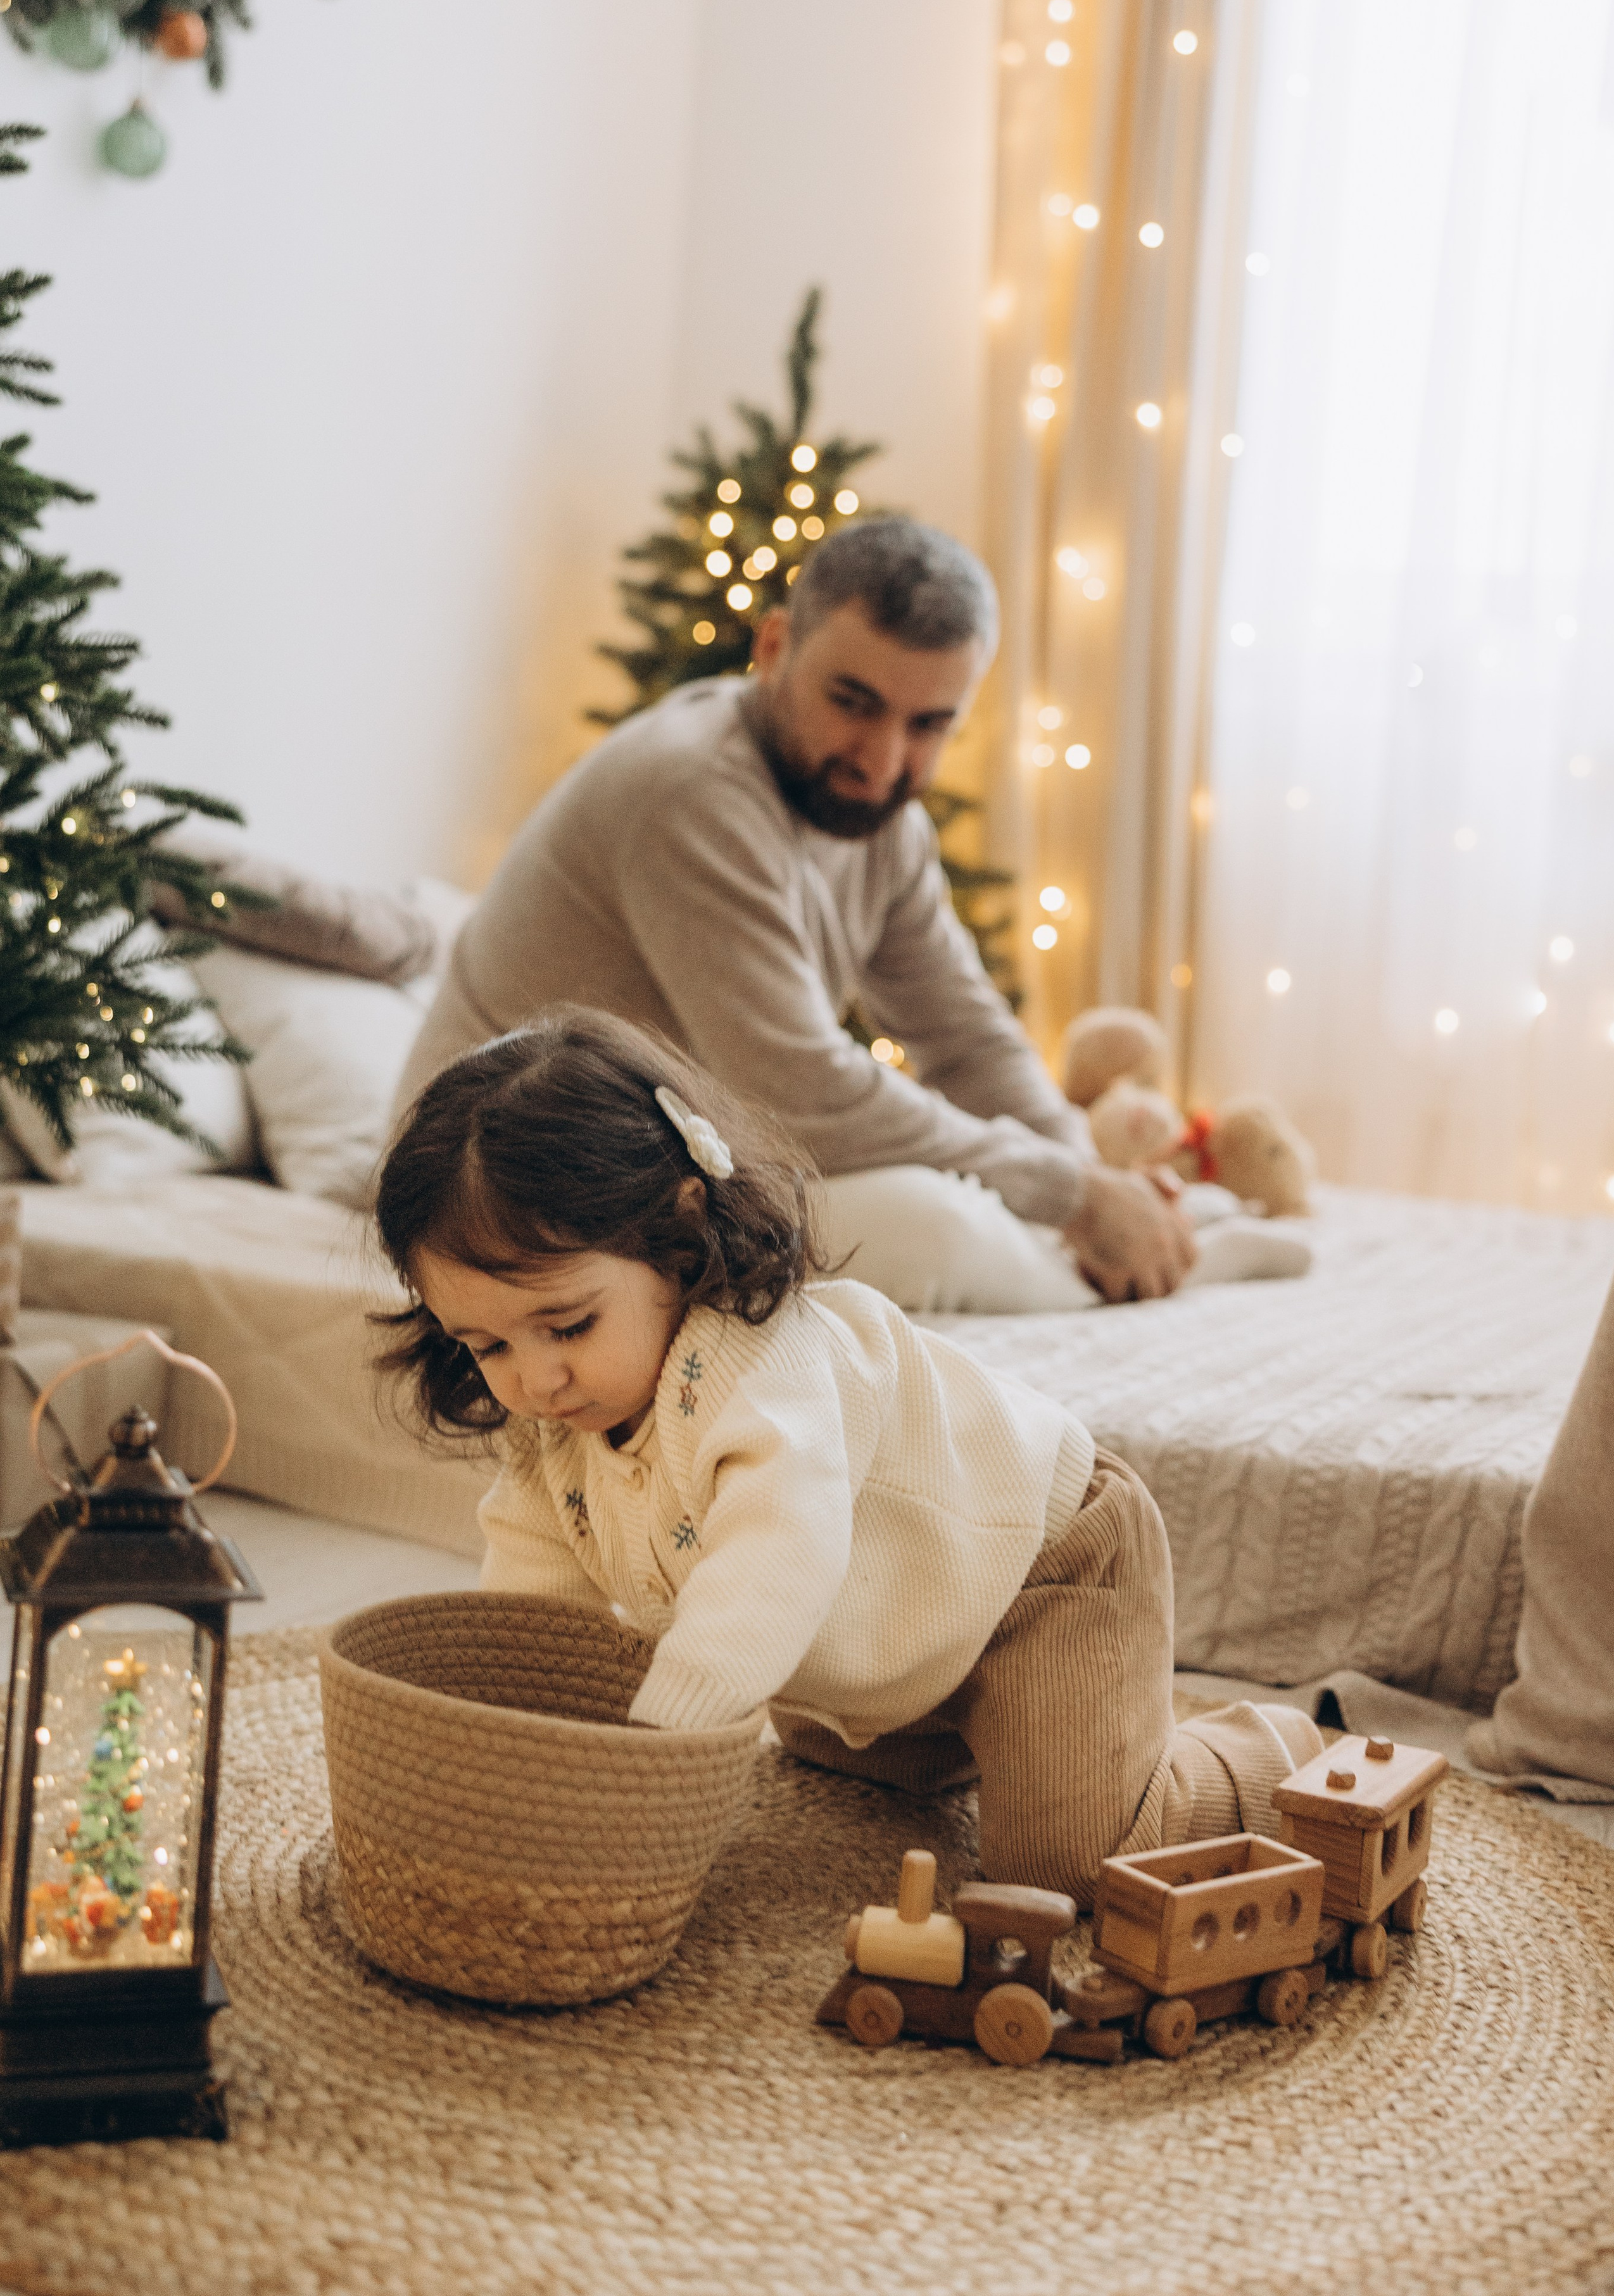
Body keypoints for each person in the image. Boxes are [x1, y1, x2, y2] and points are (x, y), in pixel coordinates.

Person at [374, 1006, 1321, 1907]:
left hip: (1047, 1573)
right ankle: (997, 1725)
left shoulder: (760, 1359)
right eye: (486, 1346)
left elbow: (772, 1561)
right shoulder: (556, 1420)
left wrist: (650, 1758)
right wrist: (519, 1739)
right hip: (907, 1632)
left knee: (1067, 1869)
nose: (535, 1379)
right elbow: (534, 1598)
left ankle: (1265, 1753)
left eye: (567, 1323)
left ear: (680, 1229)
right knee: (836, 1757)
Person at [396, 516, 1301, 1314]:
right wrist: (1075, 1195)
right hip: (495, 1175)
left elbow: (967, 1038)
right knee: (928, 1222)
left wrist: (1088, 1170)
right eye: (853, 703)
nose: (882, 759)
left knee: (958, 1197)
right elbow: (806, 1095)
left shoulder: (880, 821)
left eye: (928, 724)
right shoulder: (690, 792)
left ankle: (1156, 1237)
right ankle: (1174, 1259)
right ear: (775, 646)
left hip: (656, 1157)